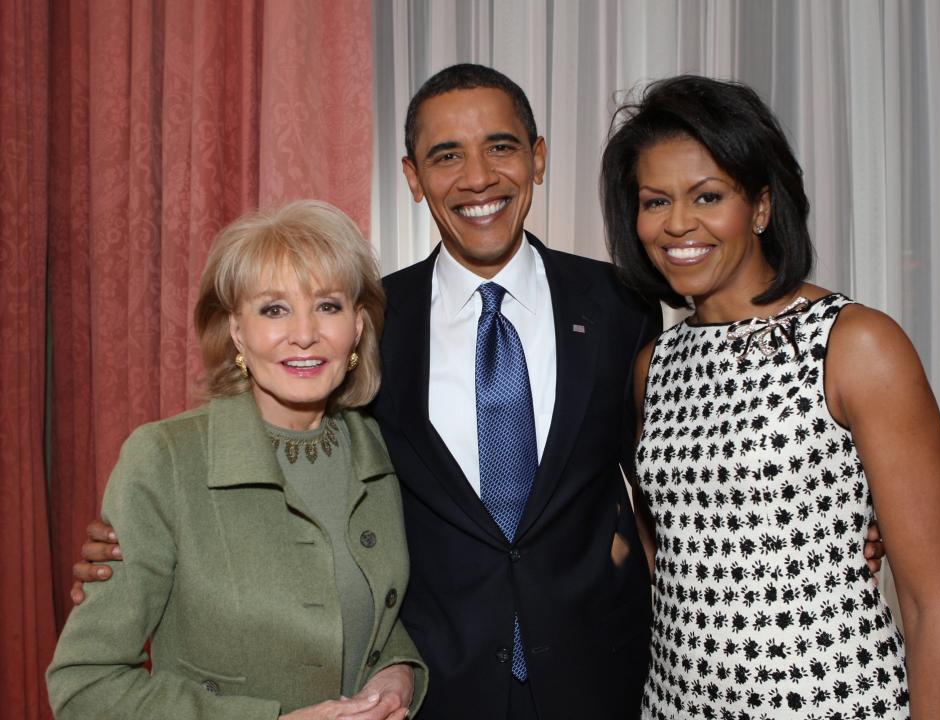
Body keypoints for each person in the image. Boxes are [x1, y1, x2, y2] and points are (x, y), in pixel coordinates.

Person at [68, 65, 887, 719]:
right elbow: (278, 461)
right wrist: (136, 547)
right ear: (413, 177)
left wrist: (830, 520)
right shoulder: (363, 322)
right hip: (432, 688)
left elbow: (679, 469)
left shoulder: (625, 308)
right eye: (445, 155)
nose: (478, 176)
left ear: (537, 156)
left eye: (500, 146)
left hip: (610, 681)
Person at [601, 74, 940, 719]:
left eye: (707, 196)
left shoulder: (855, 344)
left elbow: (935, 603)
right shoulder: (655, 365)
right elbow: (669, 547)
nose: (678, 223)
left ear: (761, 207)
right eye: (655, 201)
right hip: (677, 705)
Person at [47, 200, 427, 720]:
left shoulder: (380, 451)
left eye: (328, 306)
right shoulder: (164, 461)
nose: (305, 332)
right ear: (236, 330)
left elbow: (372, 610)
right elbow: (85, 685)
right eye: (274, 308)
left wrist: (396, 670)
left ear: (358, 327)